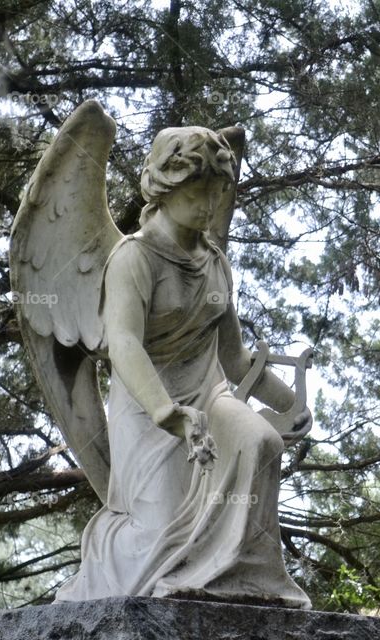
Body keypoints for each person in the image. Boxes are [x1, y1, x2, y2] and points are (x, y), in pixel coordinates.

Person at [55, 127, 311, 608]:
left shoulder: (215, 263)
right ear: (165, 189)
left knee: (262, 442)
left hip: (208, 393)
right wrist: (166, 413)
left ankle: (241, 581)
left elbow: (233, 358)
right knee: (157, 532)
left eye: (218, 192)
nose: (210, 205)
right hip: (147, 405)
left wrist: (287, 404)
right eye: (198, 192)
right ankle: (122, 565)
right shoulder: (134, 258)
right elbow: (124, 343)